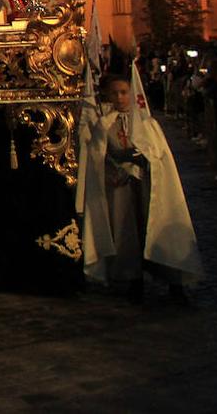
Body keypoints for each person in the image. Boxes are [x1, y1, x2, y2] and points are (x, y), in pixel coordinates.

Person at [78, 68, 203, 302]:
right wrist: (115, 168)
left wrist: (145, 160)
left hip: (147, 186)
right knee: (127, 234)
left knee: (155, 227)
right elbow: (97, 158)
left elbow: (160, 157)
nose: (120, 98)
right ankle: (133, 279)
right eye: (114, 93)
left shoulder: (148, 124)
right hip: (121, 188)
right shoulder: (104, 125)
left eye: (124, 92)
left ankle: (173, 280)